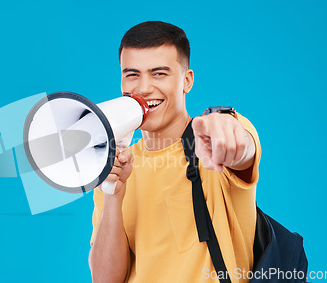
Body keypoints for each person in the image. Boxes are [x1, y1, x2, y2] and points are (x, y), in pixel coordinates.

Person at [88, 21, 261, 283]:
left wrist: (230, 133)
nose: (144, 88)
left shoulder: (211, 139)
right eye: (132, 74)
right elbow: (105, 279)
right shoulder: (115, 166)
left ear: (187, 81)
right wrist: (112, 196)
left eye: (159, 74)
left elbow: (240, 148)